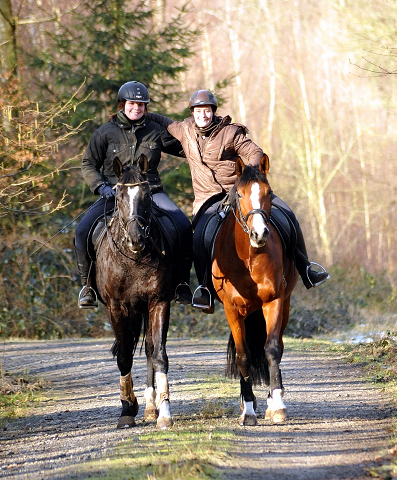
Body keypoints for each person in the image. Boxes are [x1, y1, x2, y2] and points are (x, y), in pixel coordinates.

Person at [147, 89, 329, 312]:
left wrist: (249, 176)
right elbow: (163, 121)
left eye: (206, 110)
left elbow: (255, 152)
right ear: (192, 113)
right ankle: (204, 288)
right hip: (209, 198)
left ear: (213, 112)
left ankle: (306, 268)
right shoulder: (184, 130)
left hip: (240, 191)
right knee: (200, 238)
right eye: (198, 111)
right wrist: (141, 111)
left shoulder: (230, 133)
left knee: (287, 214)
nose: (202, 115)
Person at [74, 81, 193, 309]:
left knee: (184, 228)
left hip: (151, 192)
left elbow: (186, 149)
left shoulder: (156, 131)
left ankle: (182, 285)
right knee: (82, 232)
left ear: (146, 108)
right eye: (132, 104)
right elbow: (88, 163)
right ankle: (87, 287)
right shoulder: (105, 132)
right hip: (114, 194)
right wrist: (100, 187)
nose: (136, 108)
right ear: (122, 104)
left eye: (141, 105)